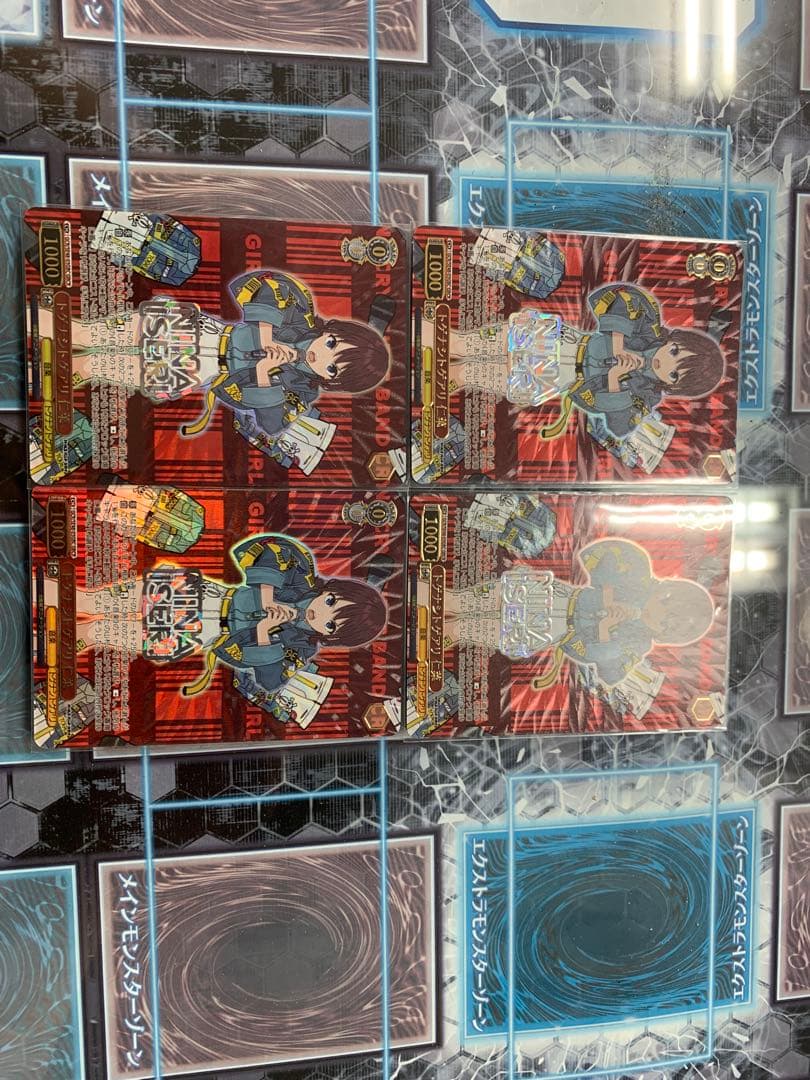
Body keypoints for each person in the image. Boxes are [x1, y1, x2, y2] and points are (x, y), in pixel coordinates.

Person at [33, 269, 390, 463]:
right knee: (92, 332)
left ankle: (52, 374)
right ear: (331, 330)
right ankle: (43, 326)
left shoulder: (303, 391)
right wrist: (266, 336)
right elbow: (255, 285)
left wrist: (264, 373)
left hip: (200, 372)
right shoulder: (301, 314)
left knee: (101, 366)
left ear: (332, 381)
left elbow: (271, 423)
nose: (320, 357)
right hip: (203, 333)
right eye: (331, 345)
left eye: (332, 368)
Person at [55, 532, 387, 710]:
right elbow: (270, 550)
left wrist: (263, 632)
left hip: (204, 635)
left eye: (330, 625)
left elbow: (270, 680)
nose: (320, 615)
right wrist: (268, 597)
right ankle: (60, 597)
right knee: (94, 600)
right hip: (207, 597)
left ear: (331, 637)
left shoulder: (302, 647)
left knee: (106, 632)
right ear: (332, 589)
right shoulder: (302, 575)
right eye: (330, 602)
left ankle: (72, 638)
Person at [427, 282, 726, 442]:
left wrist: (614, 379)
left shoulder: (647, 396)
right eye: (674, 353)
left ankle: (453, 377)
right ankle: (442, 340)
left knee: (485, 375)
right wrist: (618, 342)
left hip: (562, 379)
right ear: (674, 339)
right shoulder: (649, 326)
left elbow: (620, 426)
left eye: (674, 375)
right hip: (567, 344)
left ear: (673, 387)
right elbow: (620, 297)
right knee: (479, 342)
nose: (665, 365)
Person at [430, 537, 714, 689]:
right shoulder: (638, 572)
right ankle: (423, 596)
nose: (659, 618)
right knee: (462, 601)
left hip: (552, 632)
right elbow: (595, 554)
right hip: (557, 597)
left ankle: (438, 635)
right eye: (667, 605)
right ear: (667, 590)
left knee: (467, 631)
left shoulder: (638, 643)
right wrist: (609, 595)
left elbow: (609, 672)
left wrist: (606, 629)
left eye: (667, 625)